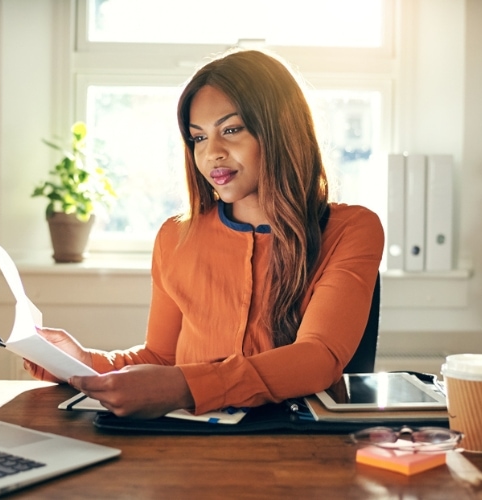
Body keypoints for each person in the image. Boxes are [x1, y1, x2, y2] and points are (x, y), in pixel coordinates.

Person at [25, 49, 384, 419]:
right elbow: (161, 359)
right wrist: (83, 362)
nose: (211, 153)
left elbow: (317, 358)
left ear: (281, 128)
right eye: (198, 138)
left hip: (294, 448)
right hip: (189, 445)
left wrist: (184, 386)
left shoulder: (352, 229)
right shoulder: (174, 237)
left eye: (231, 130)